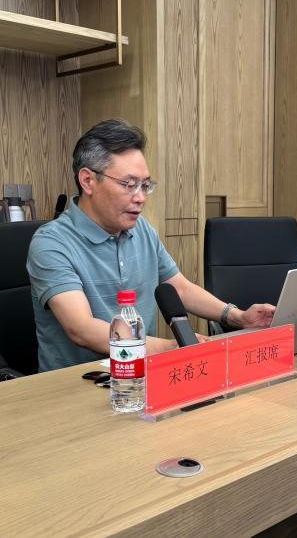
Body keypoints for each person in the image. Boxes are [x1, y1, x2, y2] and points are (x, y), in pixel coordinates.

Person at [27, 119, 275, 371]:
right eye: (129, 184)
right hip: (76, 383)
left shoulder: (141, 229)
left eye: (145, 186)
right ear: (88, 180)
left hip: (141, 377)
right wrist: (167, 348)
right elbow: (81, 328)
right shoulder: (51, 243)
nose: (140, 198)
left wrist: (238, 317)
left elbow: (179, 288)